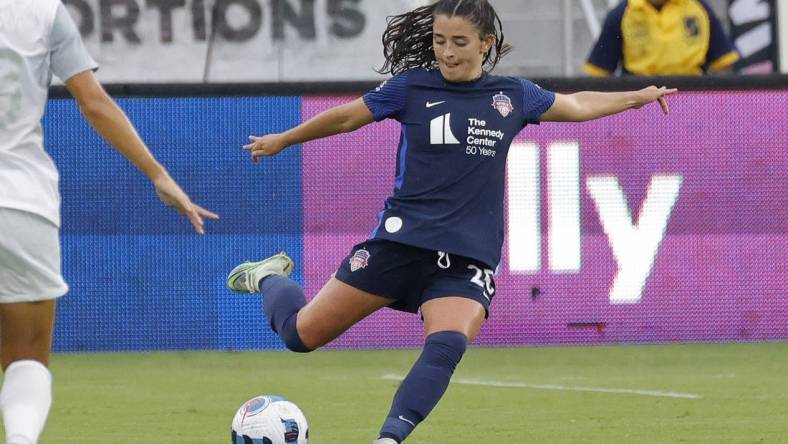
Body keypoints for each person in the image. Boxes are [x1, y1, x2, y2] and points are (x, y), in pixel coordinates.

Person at [228, 0, 675, 442]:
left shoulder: (513, 96)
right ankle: (268, 277)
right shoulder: (411, 88)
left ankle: (388, 440)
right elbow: (347, 117)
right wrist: (284, 138)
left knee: (446, 347)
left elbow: (578, 105)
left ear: (486, 44)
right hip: (400, 245)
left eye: (459, 42)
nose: (447, 52)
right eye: (440, 41)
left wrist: (638, 95)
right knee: (299, 336)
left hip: (467, 256)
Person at [0, 1, 219, 443]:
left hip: (22, 201)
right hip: (20, 203)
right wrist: (158, 174)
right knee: (26, 359)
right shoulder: (43, 13)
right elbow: (94, 103)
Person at [584, 0, 740, 76]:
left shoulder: (699, 9)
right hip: (639, 103)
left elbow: (724, 64)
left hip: (692, 98)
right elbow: (600, 73)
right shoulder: (621, 14)